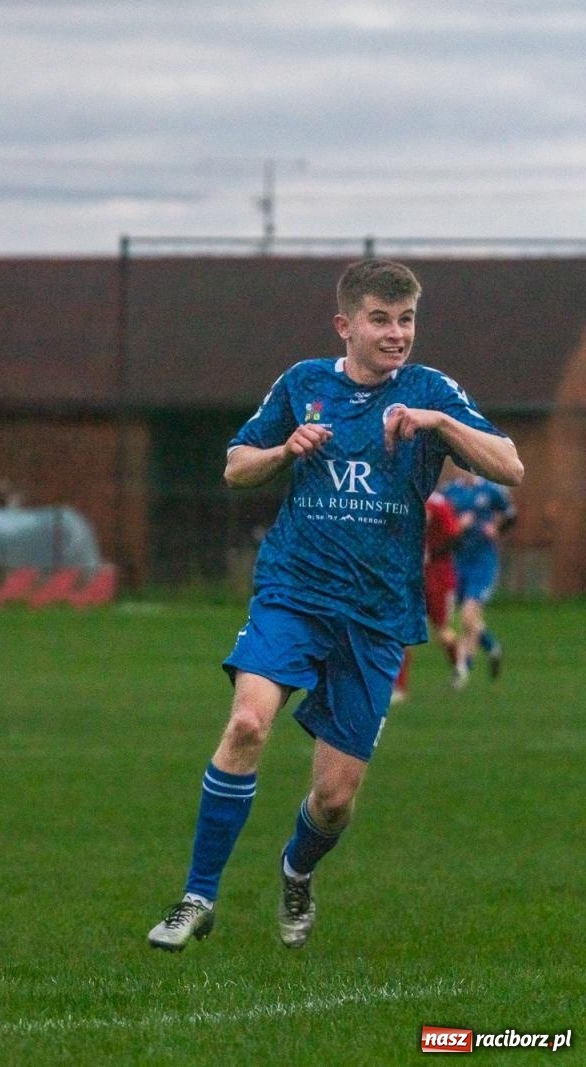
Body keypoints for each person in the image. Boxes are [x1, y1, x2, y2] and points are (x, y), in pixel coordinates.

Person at [145, 259, 522, 952]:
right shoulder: (303, 383)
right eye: (381, 318)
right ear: (345, 324)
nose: (396, 333)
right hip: (293, 591)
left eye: (406, 319)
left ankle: (296, 868)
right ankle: (197, 895)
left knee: (335, 799)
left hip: (376, 612)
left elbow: (510, 465)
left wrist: (439, 422)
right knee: (248, 725)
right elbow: (235, 465)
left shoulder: (429, 390)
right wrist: (285, 449)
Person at [442, 469, 517, 688]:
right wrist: (458, 525)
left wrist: (497, 528)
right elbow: (442, 525)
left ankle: (464, 667)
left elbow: (511, 515)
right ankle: (492, 646)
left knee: (468, 614)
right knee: (468, 617)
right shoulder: (450, 492)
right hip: (458, 561)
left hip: (483, 562)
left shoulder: (491, 491)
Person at [389, 488, 461, 703]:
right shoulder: (400, 498)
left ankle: (458, 667)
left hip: (439, 578)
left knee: (443, 633)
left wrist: (432, 554)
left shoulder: (439, 504)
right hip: (411, 579)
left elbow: (456, 538)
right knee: (403, 634)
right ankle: (399, 688)